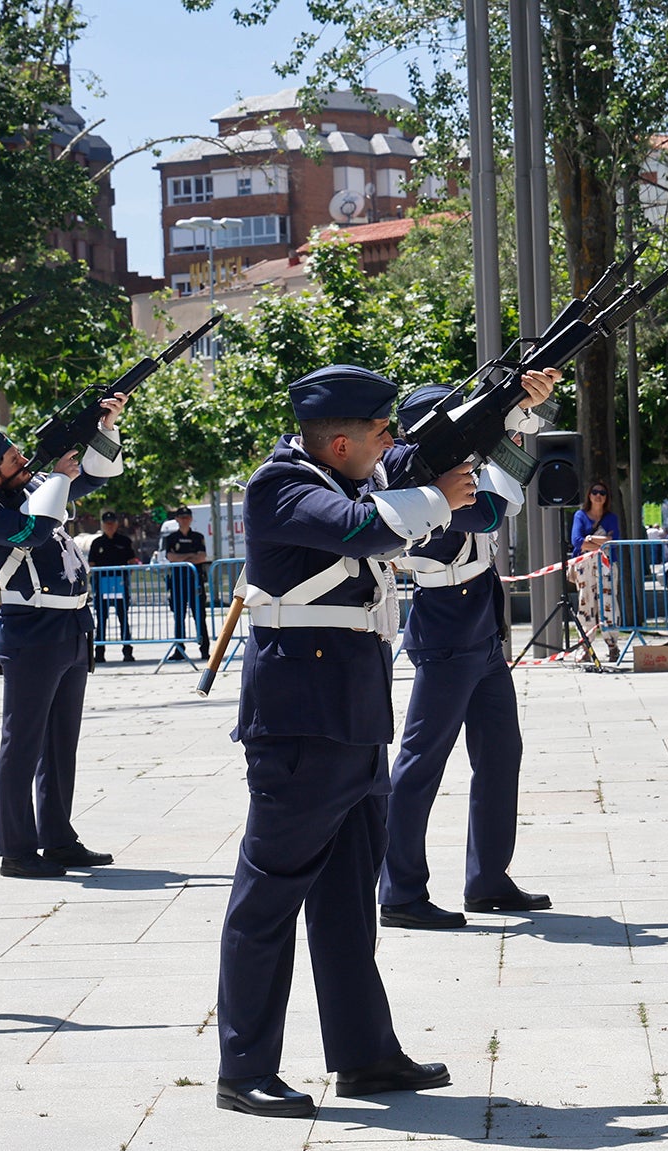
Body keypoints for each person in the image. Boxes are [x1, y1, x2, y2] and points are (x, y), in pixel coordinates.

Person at [216, 364, 467, 1119]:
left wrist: (509, 409)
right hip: (300, 723)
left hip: (354, 719)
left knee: (348, 902)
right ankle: (244, 1067)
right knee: (268, 898)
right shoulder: (283, 485)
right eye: (379, 432)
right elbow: (360, 529)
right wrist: (434, 498)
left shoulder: (345, 476)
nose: (389, 442)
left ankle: (364, 1054)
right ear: (339, 442)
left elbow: (410, 488)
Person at [381, 372, 558, 931]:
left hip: (480, 613)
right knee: (421, 762)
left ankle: (489, 879)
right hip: (447, 617)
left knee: (501, 754)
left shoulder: (458, 478)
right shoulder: (415, 493)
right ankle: (401, 890)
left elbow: (511, 488)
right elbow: (492, 511)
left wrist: (517, 417)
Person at [0, 400, 129, 879]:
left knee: (60, 744)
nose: (24, 462)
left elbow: (97, 476)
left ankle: (57, 839)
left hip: (72, 627)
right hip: (31, 630)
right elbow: (36, 532)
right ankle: (16, 849)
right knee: (23, 743)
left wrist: (105, 429)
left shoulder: (34, 485)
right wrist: (56, 477)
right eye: (14, 461)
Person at [570, 483, 622, 662]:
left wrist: (590, 539)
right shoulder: (580, 515)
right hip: (585, 566)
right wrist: (599, 542)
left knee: (609, 602)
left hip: (606, 565)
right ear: (589, 495)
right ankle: (585, 647)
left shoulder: (611, 518)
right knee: (586, 604)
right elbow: (577, 541)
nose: (598, 495)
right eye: (594, 492)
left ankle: (613, 644)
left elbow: (613, 541)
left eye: (602, 492)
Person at [86, 509, 137, 663]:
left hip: (120, 585)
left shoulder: (124, 541)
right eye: (106, 524)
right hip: (102, 586)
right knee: (101, 620)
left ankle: (127, 651)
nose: (109, 526)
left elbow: (132, 561)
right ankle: (99, 653)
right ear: (102, 525)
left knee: (123, 619)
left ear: (116, 525)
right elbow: (91, 564)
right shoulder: (97, 543)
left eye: (112, 523)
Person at [160, 505, 210, 660]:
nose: (184, 520)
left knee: (199, 616)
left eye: (187, 517)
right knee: (179, 616)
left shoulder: (198, 536)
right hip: (178, 582)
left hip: (195, 582)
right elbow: (171, 557)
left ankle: (204, 648)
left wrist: (183, 556)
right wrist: (191, 557)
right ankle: (179, 649)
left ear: (191, 519)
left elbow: (202, 557)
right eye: (181, 517)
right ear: (176, 519)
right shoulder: (171, 538)